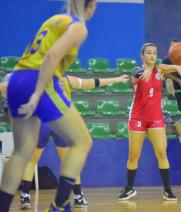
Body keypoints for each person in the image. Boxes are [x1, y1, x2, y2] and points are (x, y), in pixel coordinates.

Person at [0, 1, 97, 211]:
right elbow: (53, 55)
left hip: (16, 79)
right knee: (82, 142)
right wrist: (37, 93)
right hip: (39, 80)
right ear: (92, 5)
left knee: (21, 153)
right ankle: (59, 205)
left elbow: (30, 52)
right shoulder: (78, 26)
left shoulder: (52, 20)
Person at [19, 74, 128, 210]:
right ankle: (78, 197)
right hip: (61, 122)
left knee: (31, 160)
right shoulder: (67, 79)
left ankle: (25, 196)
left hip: (42, 122)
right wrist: (115, 79)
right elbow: (92, 82)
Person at [118, 43, 181, 201]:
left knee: (161, 153)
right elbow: (131, 79)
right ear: (142, 55)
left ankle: (167, 190)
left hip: (155, 118)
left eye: (155, 53)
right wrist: (142, 72)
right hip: (137, 118)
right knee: (133, 155)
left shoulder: (161, 69)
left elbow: (178, 68)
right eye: (149, 53)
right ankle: (130, 188)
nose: (152, 55)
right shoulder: (137, 72)